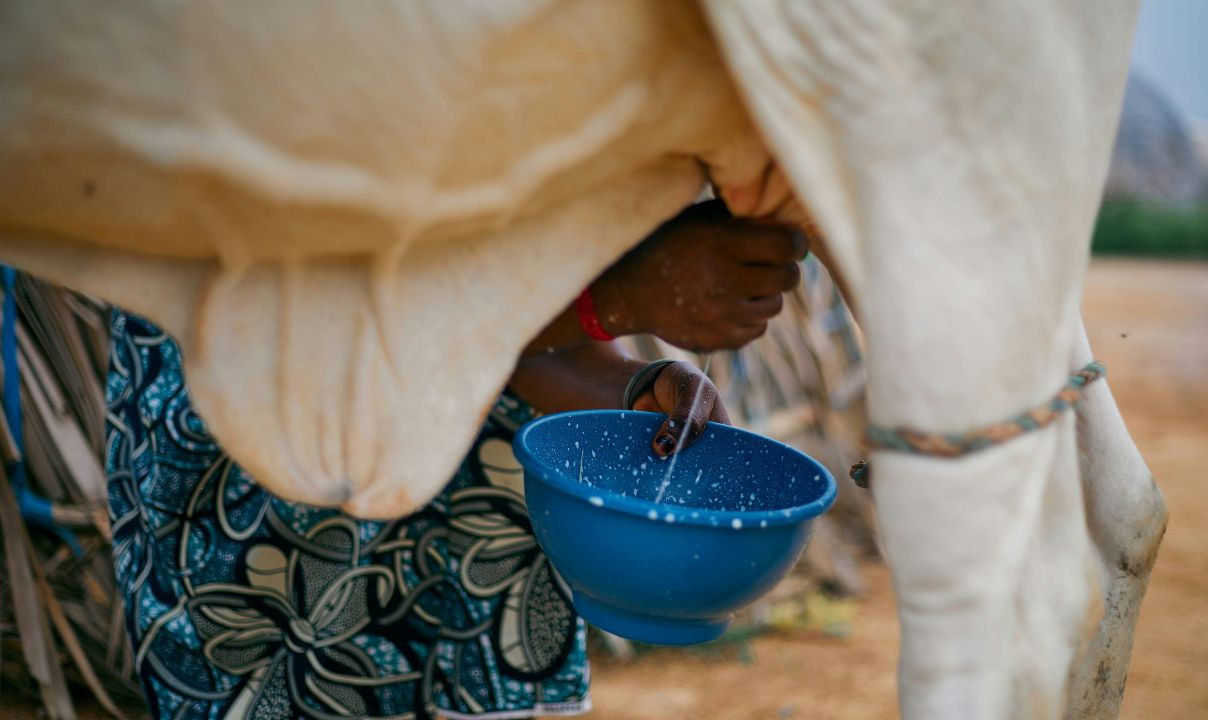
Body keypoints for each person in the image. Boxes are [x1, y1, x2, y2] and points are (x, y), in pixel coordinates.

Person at [105, 200, 808, 719]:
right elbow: (334, 328)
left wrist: (636, 389)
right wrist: (617, 296)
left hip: (457, 542)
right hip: (268, 495)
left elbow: (529, 349)